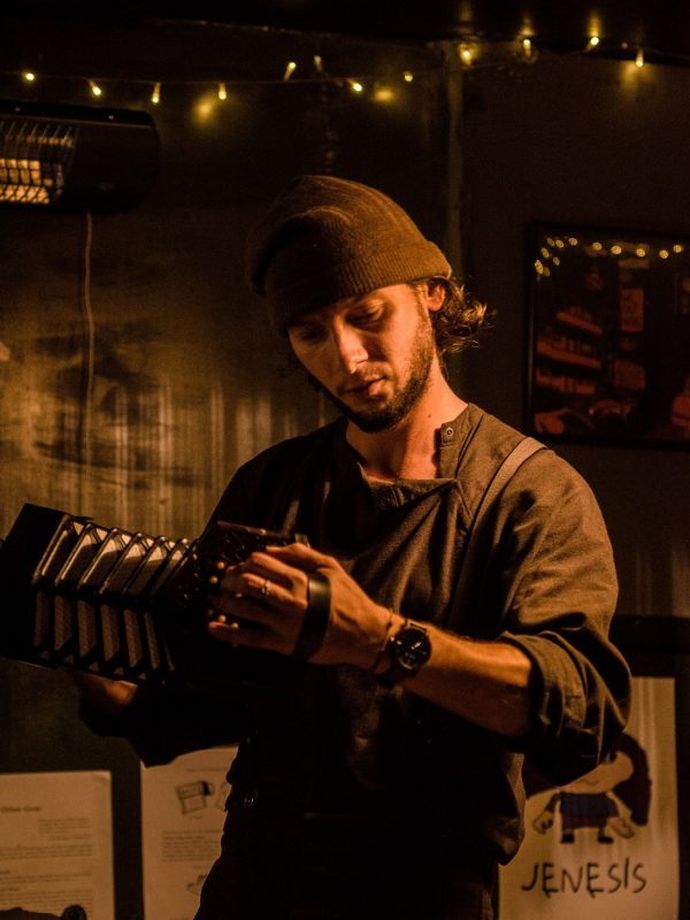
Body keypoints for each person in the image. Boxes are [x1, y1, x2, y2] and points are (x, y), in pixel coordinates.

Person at [77, 175, 631, 919]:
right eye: (311, 334)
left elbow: (580, 710)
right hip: (255, 887)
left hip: (422, 893)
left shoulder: (531, 493)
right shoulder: (274, 485)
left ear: (432, 293)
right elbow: (215, 691)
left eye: (368, 316)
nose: (347, 355)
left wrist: (378, 641)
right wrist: (115, 682)